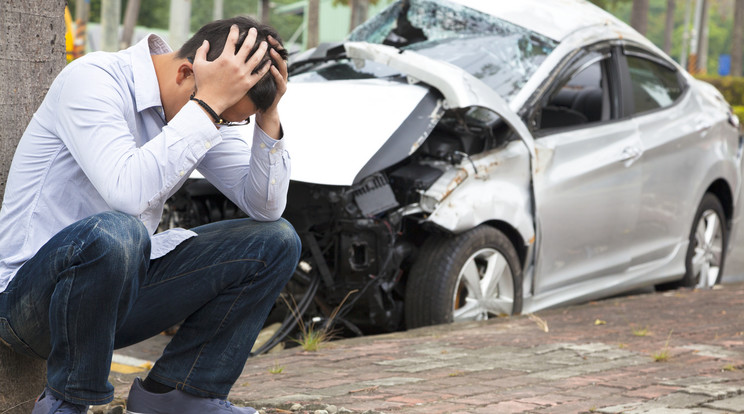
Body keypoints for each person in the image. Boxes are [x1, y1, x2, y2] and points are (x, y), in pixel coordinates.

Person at [0, 15, 300, 414]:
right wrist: (208, 108)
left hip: (113, 302)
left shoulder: (198, 106)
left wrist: (268, 115)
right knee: (118, 233)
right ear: (185, 73)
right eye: (226, 116)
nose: (224, 126)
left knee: (276, 240)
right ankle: (67, 403)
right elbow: (127, 192)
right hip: (30, 303)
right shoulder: (94, 79)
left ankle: (181, 394)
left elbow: (266, 206)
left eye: (233, 120)